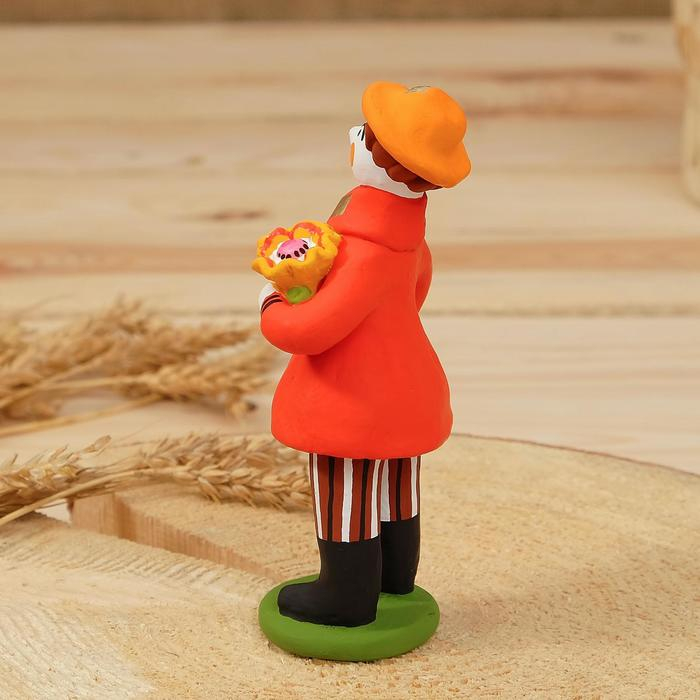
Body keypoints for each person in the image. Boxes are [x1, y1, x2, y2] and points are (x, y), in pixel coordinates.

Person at [258, 81, 471, 626]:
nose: (354, 136)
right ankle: (395, 578)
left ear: (390, 163)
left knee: (344, 486)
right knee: (397, 481)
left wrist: (274, 302)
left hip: (350, 398)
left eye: (367, 134)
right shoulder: (409, 238)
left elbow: (312, 330)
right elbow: (415, 293)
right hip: (411, 385)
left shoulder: (362, 249)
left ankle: (346, 597)